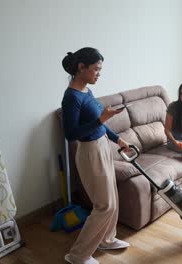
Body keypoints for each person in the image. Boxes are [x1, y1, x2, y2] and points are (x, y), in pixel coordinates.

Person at [61, 47, 130, 264]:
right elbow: (70, 134)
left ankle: (107, 240)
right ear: (81, 68)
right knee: (104, 205)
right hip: (89, 153)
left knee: (113, 198)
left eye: (100, 69)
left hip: (102, 146)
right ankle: (77, 256)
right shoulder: (71, 97)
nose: (99, 73)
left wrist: (117, 139)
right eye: (96, 69)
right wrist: (101, 120)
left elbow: (99, 123)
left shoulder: (86, 91)